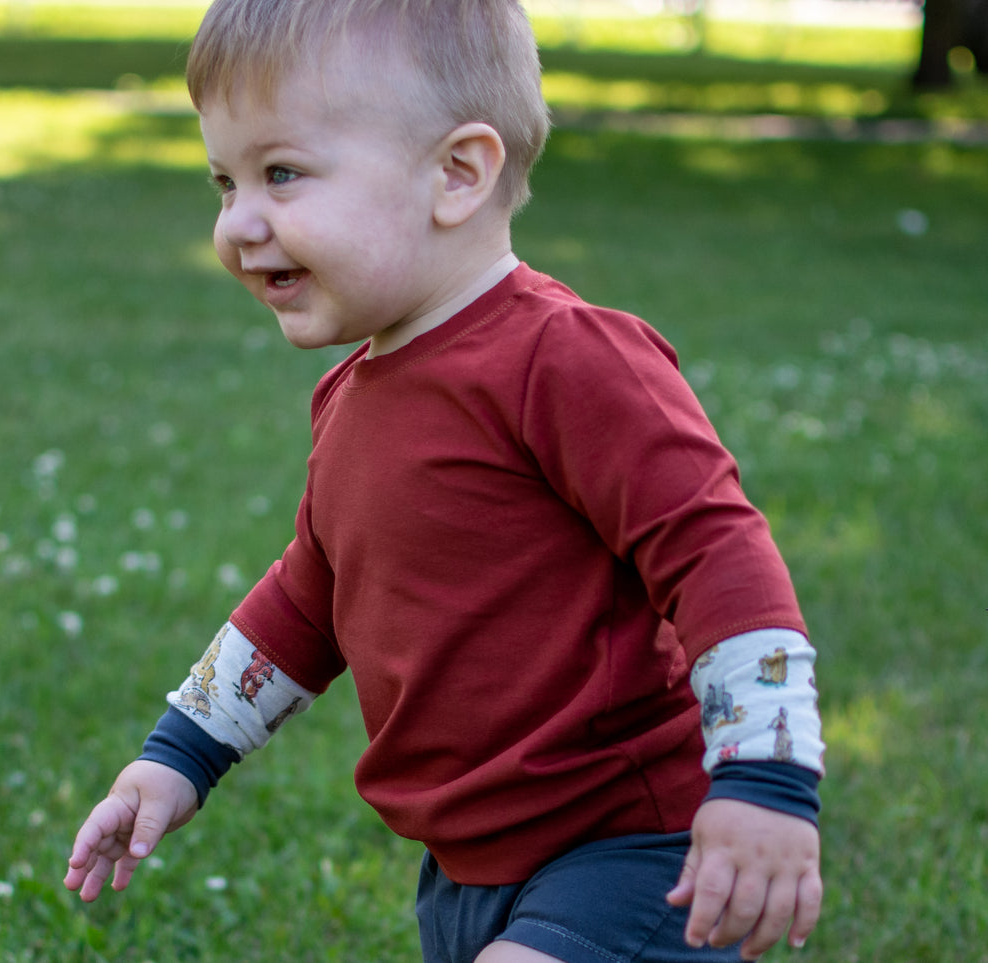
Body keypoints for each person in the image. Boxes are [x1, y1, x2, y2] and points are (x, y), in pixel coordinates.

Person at [63, 1, 826, 960]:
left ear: (457, 174)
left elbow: (715, 550)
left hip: (628, 846)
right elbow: (307, 598)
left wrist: (765, 776)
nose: (237, 224)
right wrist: (179, 755)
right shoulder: (351, 394)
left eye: (280, 173)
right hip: (466, 869)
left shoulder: (564, 358)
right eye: (225, 181)